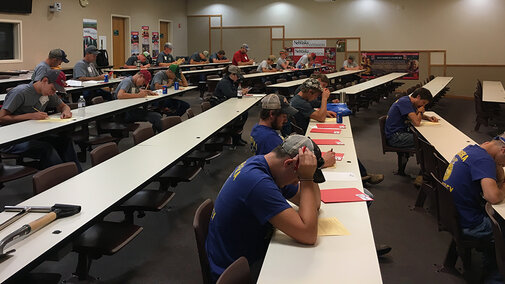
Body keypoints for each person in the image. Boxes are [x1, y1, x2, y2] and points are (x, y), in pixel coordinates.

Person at [206, 134, 324, 282]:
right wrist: (306, 179)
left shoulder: (268, 166)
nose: (296, 183)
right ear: (288, 164)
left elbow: (315, 204)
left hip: (244, 253)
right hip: (235, 272)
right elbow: (308, 235)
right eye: (297, 178)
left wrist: (308, 173)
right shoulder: (257, 183)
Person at [443, 134, 505, 282]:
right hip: (470, 223)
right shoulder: (484, 161)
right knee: (502, 227)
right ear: (503, 150)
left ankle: (490, 260)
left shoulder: (472, 150)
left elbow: (498, 176)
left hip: (455, 216)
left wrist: (498, 171)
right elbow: (493, 197)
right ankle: (496, 278)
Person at [0, 69, 82, 172]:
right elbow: (1, 118)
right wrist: (30, 116)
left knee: (65, 141)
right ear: (44, 80)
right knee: (46, 149)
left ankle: (77, 174)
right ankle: (62, 177)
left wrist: (66, 111)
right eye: (53, 89)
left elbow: (63, 106)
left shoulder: (47, 93)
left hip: (33, 134)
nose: (53, 93)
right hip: (11, 139)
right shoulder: (20, 92)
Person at [251, 93, 338, 168]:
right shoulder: (269, 139)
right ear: (271, 114)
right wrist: (322, 162)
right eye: (284, 116)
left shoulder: (258, 128)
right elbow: (286, 169)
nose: (285, 121)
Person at [385, 88, 438, 175]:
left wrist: (428, 117)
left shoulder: (407, 101)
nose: (423, 106)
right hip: (395, 137)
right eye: (423, 103)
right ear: (418, 97)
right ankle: (424, 174)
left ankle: (424, 172)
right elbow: (417, 122)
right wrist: (420, 113)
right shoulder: (405, 102)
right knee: (426, 142)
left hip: (399, 133)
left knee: (423, 138)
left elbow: (414, 113)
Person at [213, 65, 249, 146]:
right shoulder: (224, 82)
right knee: (240, 116)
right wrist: (241, 92)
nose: (238, 78)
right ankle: (233, 137)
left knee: (244, 114)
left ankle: (237, 137)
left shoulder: (231, 81)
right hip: (220, 107)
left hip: (228, 104)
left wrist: (241, 90)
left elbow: (235, 91)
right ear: (232, 75)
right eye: (237, 76)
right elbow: (230, 94)